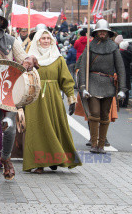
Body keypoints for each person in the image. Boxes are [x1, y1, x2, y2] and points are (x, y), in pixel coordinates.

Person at [0, 6, 37, 183]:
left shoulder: (11, 41)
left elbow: (23, 59)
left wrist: (28, 61)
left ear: (2, 22)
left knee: (9, 127)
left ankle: (5, 158)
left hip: (8, 90)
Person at [23, 29, 82, 173]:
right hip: (35, 98)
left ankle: (54, 159)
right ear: (37, 41)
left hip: (53, 97)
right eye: (42, 38)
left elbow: (67, 80)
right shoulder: (30, 59)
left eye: (48, 38)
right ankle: (39, 163)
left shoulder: (58, 58)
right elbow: (23, 78)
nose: (46, 41)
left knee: (55, 127)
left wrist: (71, 99)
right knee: (36, 129)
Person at [78, 20, 126, 154]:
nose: (102, 33)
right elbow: (83, 68)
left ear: (108, 32)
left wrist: (122, 89)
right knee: (94, 114)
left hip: (108, 84)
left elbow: (121, 69)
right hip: (92, 83)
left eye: (104, 31)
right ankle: (93, 144)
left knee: (105, 116)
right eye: (100, 31)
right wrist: (83, 87)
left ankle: (101, 145)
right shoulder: (90, 47)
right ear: (96, 32)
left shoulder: (113, 47)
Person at [119, 41, 132, 108]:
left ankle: (120, 102)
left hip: (120, 72)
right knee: (126, 87)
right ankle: (125, 103)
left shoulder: (119, 54)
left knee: (119, 87)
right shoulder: (129, 54)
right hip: (127, 72)